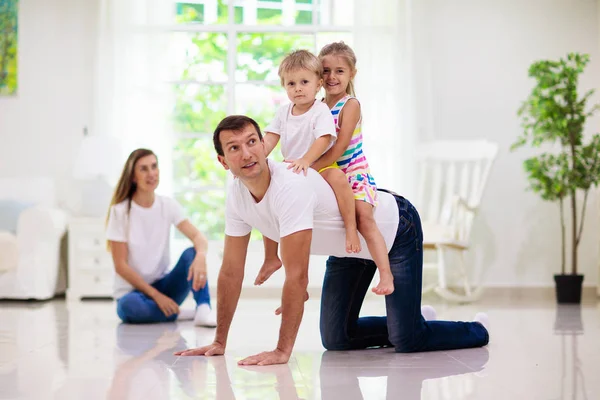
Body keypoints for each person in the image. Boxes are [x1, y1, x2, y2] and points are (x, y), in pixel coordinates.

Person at [174, 116, 489, 365]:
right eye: (234, 148)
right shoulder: (237, 195)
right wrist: (219, 341)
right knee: (337, 338)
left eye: (252, 141)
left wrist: (282, 351)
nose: (246, 153)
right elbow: (231, 271)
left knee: (407, 341)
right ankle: (408, 319)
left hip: (394, 230)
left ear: (264, 144)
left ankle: (474, 329)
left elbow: (297, 275)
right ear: (222, 161)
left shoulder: (290, 186)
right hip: (348, 249)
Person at [259, 49, 363, 288]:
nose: (298, 88)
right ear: (284, 87)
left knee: (337, 178)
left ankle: (351, 228)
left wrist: (307, 161)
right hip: (291, 167)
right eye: (291, 83)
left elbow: (324, 140)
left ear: (318, 84)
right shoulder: (283, 112)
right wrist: (256, 159)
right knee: (267, 193)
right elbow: (270, 139)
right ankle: (270, 257)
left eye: (304, 82)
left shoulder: (320, 110)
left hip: (318, 164)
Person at [312, 41, 394, 295]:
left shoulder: (350, 105)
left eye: (339, 71)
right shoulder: (316, 106)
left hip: (353, 171)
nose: (332, 77)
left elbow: (338, 149)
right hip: (328, 170)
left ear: (351, 74)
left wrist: (310, 167)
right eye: (326, 71)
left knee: (365, 217)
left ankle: (386, 274)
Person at [105, 148, 216, 326]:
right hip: (134, 293)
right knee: (128, 307)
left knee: (192, 253)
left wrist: (201, 255)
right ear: (133, 176)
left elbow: (198, 236)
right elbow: (120, 266)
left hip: (165, 287)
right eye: (143, 169)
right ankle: (179, 314)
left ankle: (203, 309)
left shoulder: (167, 205)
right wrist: (156, 297)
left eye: (154, 167)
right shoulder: (120, 212)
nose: (151, 173)